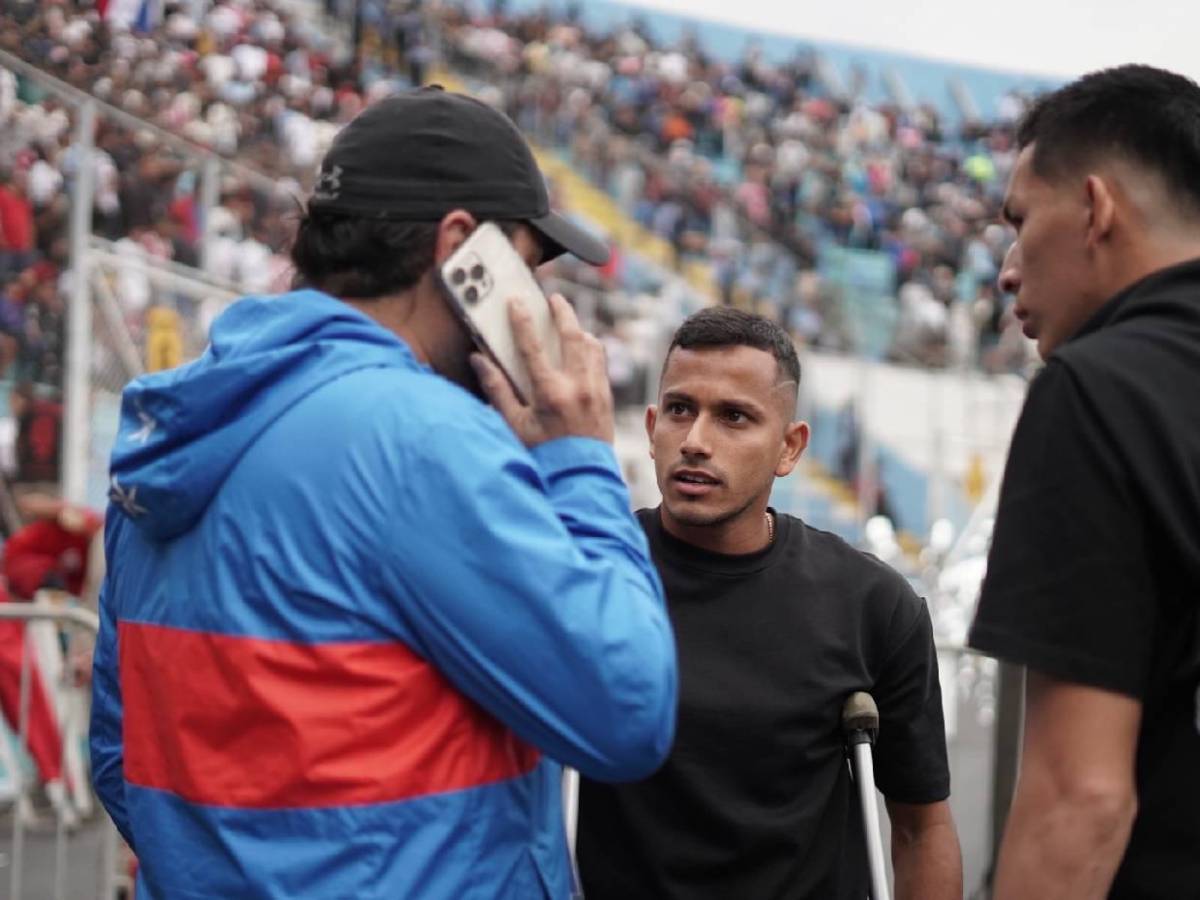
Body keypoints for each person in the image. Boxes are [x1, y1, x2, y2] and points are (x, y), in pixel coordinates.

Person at [89, 87, 678, 899]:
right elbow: (629, 710)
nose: (538, 304)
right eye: (529, 266)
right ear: (460, 247)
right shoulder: (422, 437)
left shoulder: (176, 424)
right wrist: (578, 459)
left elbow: (123, 762)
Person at [577, 308, 962, 899]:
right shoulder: (585, 575)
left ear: (790, 447)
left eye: (734, 417)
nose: (696, 442)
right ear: (652, 427)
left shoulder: (873, 607)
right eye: (680, 410)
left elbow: (920, 830)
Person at [968, 65, 1200, 899]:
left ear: (1097, 209)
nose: (1005, 270)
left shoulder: (1101, 391)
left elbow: (1082, 799)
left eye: (1021, 222)